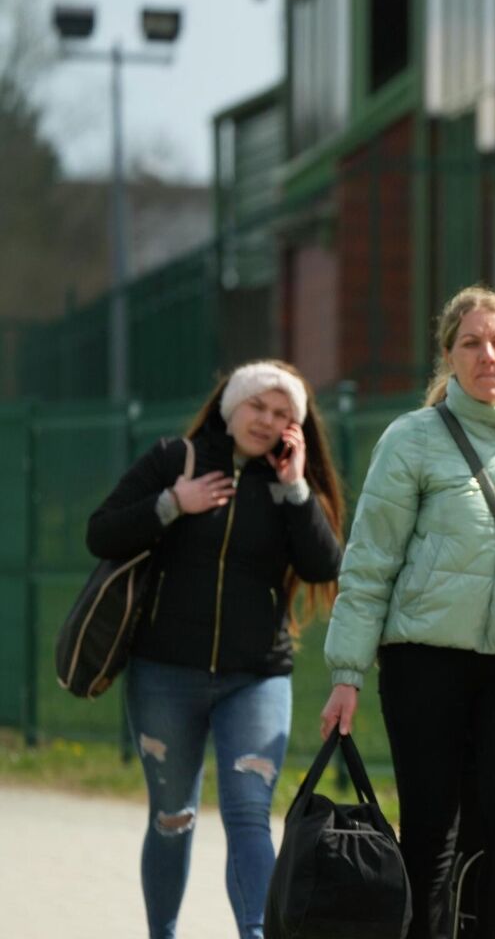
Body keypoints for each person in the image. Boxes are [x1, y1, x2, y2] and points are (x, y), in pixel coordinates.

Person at [320, 286, 495, 939]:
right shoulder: (411, 439)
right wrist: (347, 671)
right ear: (448, 356)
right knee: (433, 829)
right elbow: (370, 561)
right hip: (423, 664)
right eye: (471, 342)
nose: (487, 354)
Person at [86, 360, 345, 939]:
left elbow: (324, 565)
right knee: (173, 817)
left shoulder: (286, 486)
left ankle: (258, 934)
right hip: (163, 675)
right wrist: (171, 503)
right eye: (258, 406)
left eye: (283, 415)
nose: (268, 421)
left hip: (254, 679)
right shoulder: (171, 460)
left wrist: (296, 488)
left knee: (250, 814)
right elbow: (100, 532)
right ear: (232, 405)